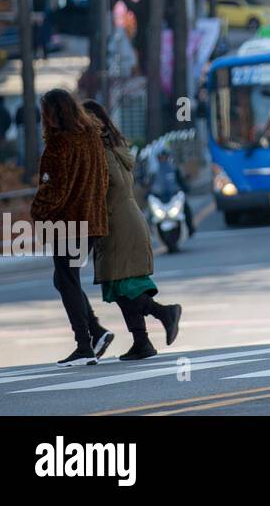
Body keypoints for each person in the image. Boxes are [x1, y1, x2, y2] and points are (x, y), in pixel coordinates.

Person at [83, 101, 182, 361]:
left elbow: (109, 185)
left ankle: (165, 313)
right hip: (127, 217)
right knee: (120, 285)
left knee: (124, 284)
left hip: (118, 222)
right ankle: (142, 342)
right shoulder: (117, 146)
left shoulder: (101, 151)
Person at [29, 89, 114, 366]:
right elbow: (103, 180)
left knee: (66, 279)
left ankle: (84, 345)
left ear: (54, 112)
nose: (44, 118)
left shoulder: (59, 144)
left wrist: (37, 212)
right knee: (65, 278)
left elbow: (55, 189)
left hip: (68, 223)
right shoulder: (92, 138)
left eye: (45, 112)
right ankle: (96, 332)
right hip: (91, 220)